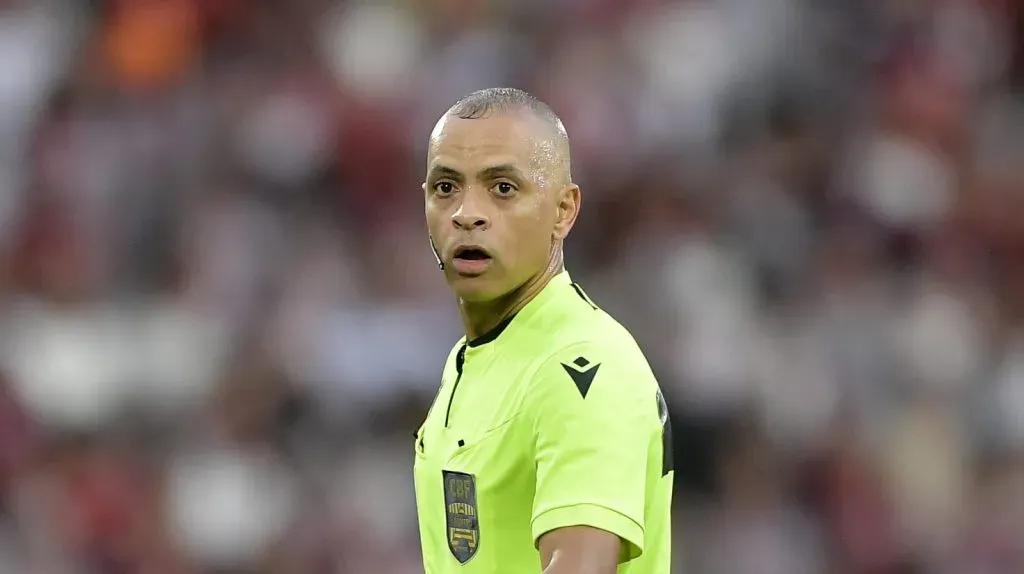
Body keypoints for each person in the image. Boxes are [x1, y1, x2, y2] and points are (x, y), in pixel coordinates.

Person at [414, 87, 673, 574]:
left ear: (563, 210)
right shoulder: (473, 358)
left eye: (502, 188)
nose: (466, 213)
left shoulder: (583, 365)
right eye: (446, 187)